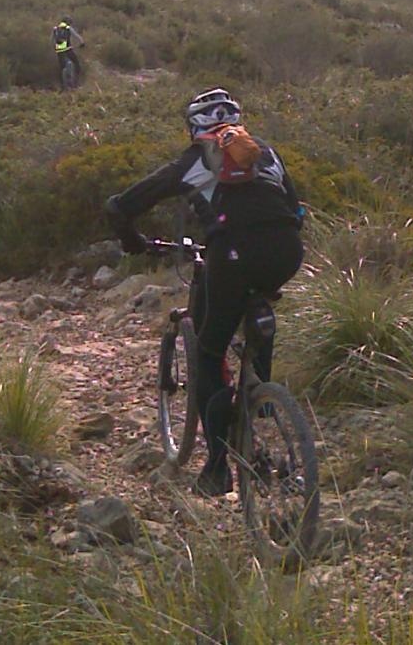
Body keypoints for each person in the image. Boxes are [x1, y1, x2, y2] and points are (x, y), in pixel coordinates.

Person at [105, 88, 305, 496]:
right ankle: (260, 398)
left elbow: (122, 206)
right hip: (287, 251)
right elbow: (297, 210)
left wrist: (132, 241)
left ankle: (217, 467)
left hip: (231, 256)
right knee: (257, 305)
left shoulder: (193, 160)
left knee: (210, 352)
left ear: (194, 127)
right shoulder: (266, 153)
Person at [53, 17, 85, 89]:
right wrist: (82, 43)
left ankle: (62, 86)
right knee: (77, 64)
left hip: (59, 51)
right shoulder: (68, 28)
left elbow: (52, 40)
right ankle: (76, 84)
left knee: (62, 68)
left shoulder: (55, 29)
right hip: (68, 49)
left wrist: (55, 48)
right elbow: (77, 36)